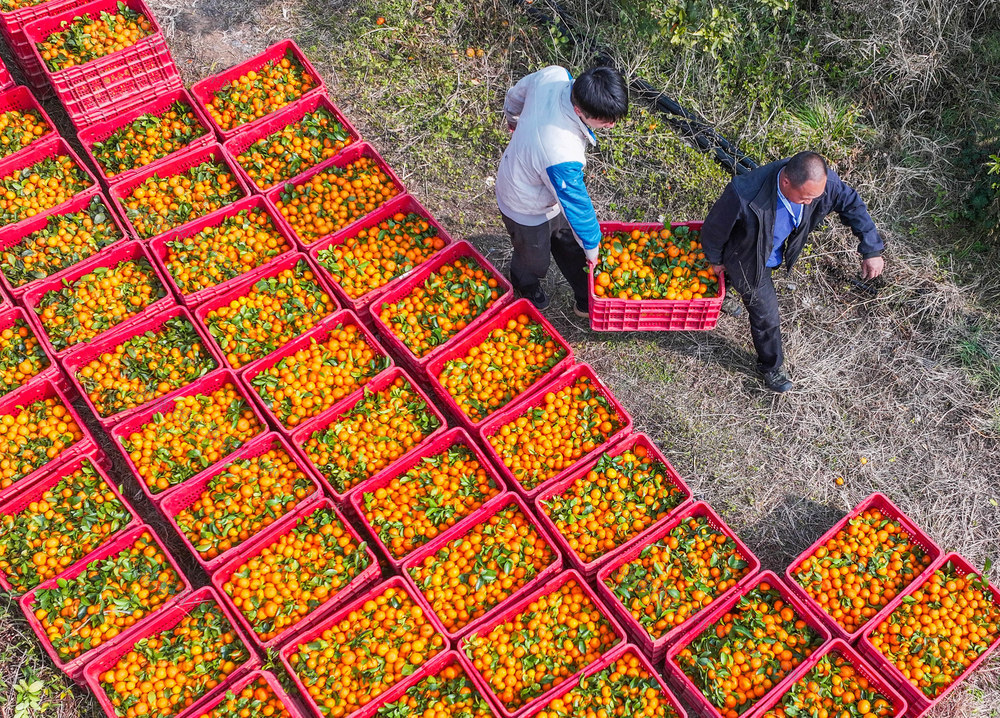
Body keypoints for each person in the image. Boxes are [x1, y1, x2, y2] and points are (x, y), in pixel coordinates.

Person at [701, 151, 885, 392]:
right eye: (806, 198)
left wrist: (871, 248)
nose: (810, 203)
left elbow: (851, 203)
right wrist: (715, 259)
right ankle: (771, 366)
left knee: (746, 289)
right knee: (766, 315)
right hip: (747, 257)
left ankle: (725, 291)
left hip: (773, 251)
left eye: (815, 197)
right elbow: (714, 229)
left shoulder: (821, 185)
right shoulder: (744, 192)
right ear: (786, 182)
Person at [495, 65, 628, 317]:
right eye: (605, 121)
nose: (611, 125)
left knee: (570, 245)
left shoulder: (554, 75)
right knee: (534, 257)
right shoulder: (560, 150)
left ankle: (585, 298)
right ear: (579, 110)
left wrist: (512, 117)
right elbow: (577, 205)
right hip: (522, 200)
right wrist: (593, 248)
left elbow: (516, 93)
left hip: (546, 185)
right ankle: (525, 283)